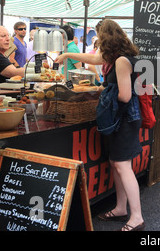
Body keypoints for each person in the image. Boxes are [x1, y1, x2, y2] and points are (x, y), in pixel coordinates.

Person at [55, 19, 145, 231]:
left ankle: (137, 217)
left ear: (107, 38)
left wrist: (104, 91)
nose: (97, 42)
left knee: (123, 166)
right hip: (122, 117)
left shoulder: (122, 61)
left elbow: (124, 96)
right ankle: (121, 208)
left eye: (99, 38)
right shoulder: (117, 57)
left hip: (125, 118)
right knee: (116, 163)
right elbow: (93, 58)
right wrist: (67, 54)